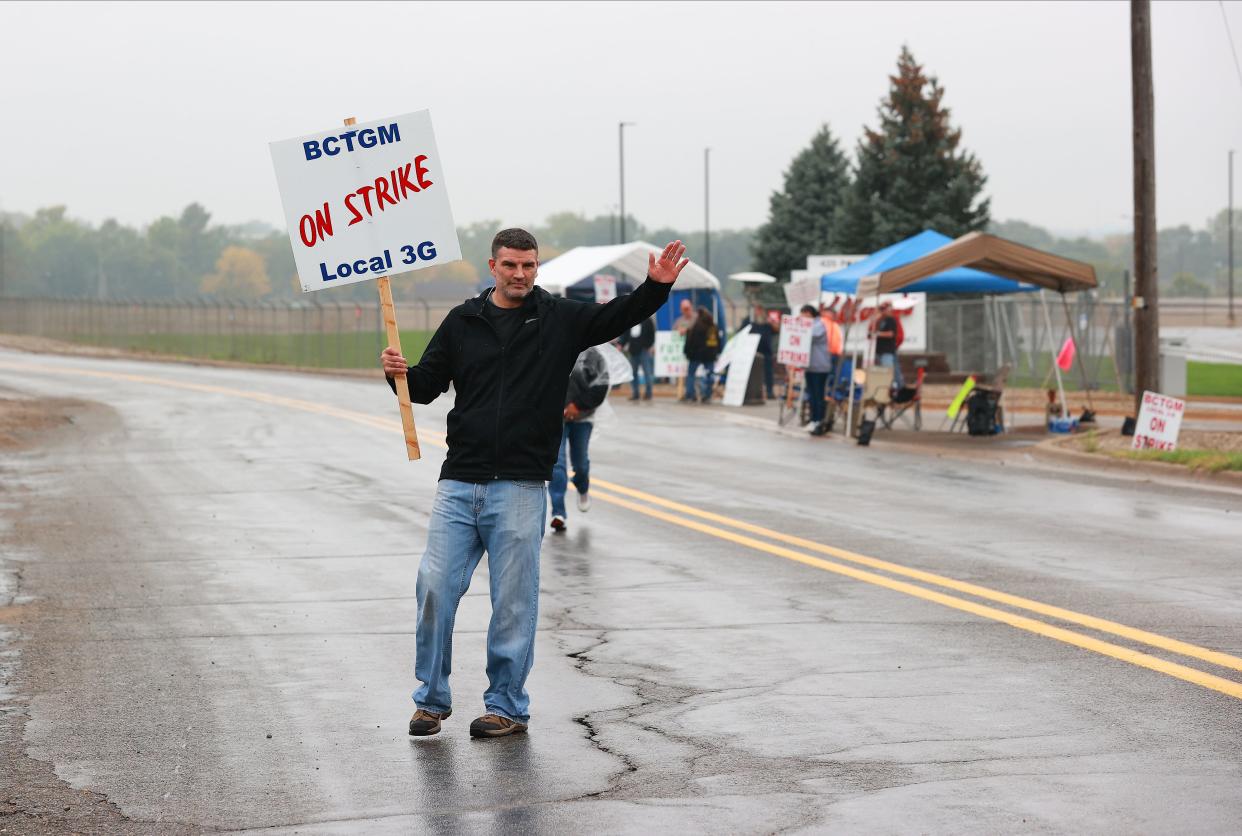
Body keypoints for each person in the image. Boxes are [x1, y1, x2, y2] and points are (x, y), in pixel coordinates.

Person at [380, 230, 687, 739]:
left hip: (521, 486)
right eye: (510, 265)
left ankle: (506, 707)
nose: (520, 273)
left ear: (537, 267)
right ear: (492, 266)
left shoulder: (559, 318)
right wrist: (399, 374)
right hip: (459, 483)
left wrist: (655, 287)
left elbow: (617, 315)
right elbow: (428, 386)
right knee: (433, 588)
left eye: (528, 265)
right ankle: (429, 701)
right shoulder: (463, 321)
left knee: (513, 602)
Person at [548, 346, 609, 532]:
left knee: (580, 464)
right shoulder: (554, 348)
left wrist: (577, 406)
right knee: (557, 464)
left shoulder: (595, 356)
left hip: (583, 417)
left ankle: (582, 488)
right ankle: (558, 513)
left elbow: (600, 387)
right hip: (557, 417)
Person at [803, 304, 834, 436]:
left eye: (804, 314)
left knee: (818, 395)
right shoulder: (812, 324)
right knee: (811, 395)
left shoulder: (819, 325)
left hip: (820, 366)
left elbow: (809, 335)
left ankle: (819, 421)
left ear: (810, 313)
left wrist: (797, 326)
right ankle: (813, 419)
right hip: (810, 366)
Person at [682, 306, 721, 403]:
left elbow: (691, 341)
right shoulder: (713, 326)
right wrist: (716, 353)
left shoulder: (697, 326)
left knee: (691, 374)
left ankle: (690, 395)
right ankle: (707, 396)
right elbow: (717, 341)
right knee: (709, 375)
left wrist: (687, 352)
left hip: (696, 355)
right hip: (709, 356)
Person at [739, 305, 776, 399]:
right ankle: (752, 393)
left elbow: (776, 330)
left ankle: (769, 392)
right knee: (752, 374)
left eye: (760, 309)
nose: (758, 312)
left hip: (766, 352)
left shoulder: (767, 321)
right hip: (752, 352)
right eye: (757, 309)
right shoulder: (748, 321)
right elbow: (741, 332)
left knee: (768, 373)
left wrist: (772, 322)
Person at [617, 315, 655, 401]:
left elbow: (652, 333)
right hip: (633, 350)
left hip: (644, 350)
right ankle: (635, 393)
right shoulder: (631, 319)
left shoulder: (647, 320)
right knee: (633, 373)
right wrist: (621, 344)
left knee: (647, 373)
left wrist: (649, 346)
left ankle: (648, 394)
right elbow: (626, 334)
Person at [869, 300, 904, 389]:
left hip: (888, 350)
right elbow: (871, 332)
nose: (882, 311)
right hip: (879, 350)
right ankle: (886, 390)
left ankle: (896, 388)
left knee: (889, 371)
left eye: (884, 308)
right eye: (881, 309)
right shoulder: (879, 320)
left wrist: (878, 334)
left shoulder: (892, 319)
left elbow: (892, 334)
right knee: (882, 372)